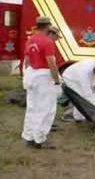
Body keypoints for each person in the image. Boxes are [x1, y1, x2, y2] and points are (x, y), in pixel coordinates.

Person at [22, 17, 61, 149]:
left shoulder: (30, 40)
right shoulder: (47, 42)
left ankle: (29, 136)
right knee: (46, 108)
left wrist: (27, 76)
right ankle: (39, 139)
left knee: (32, 107)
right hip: (44, 77)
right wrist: (56, 80)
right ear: (48, 26)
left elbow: (27, 60)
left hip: (32, 74)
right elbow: (51, 63)